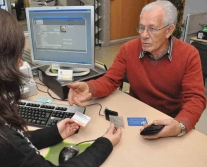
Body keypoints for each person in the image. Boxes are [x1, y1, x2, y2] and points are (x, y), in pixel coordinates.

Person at [0, 2, 122, 167]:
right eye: (14, 56)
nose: (21, 63)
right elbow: (9, 148)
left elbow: (13, 147)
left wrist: (54, 133)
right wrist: (105, 143)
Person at [68, 1, 206, 139]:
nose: (144, 35)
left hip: (169, 118)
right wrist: (89, 87)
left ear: (169, 30)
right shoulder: (128, 49)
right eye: (141, 27)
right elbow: (110, 80)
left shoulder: (189, 54)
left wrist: (180, 125)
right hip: (136, 112)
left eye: (152, 29)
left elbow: (196, 99)